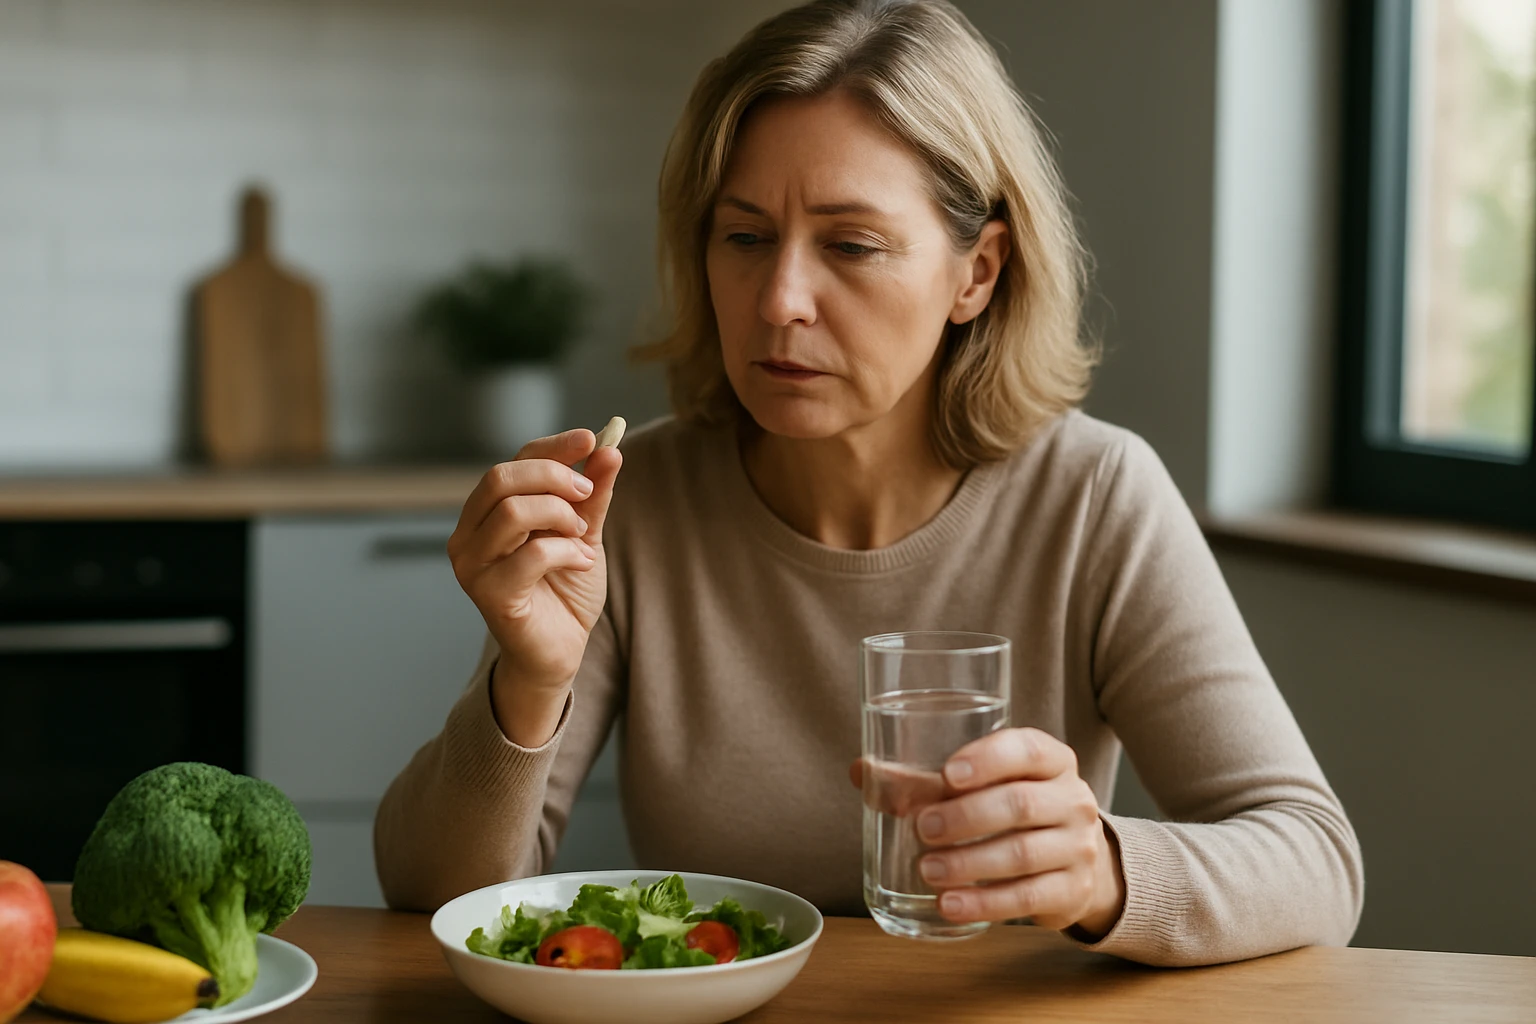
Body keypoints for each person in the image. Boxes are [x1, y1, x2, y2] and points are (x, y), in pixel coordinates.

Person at [375, 0, 1363, 966]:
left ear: (977, 272)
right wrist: (527, 681)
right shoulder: (637, 503)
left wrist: (1101, 867)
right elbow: (432, 895)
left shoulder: (1094, 496)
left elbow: (1316, 862)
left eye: (850, 244)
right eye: (746, 236)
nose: (779, 300)